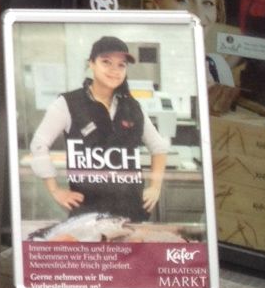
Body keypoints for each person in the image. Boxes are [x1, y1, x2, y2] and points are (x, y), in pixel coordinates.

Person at [28, 35, 169, 221]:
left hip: (130, 213)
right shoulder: (68, 103)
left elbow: (159, 147)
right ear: (91, 64)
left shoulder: (132, 106)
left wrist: (155, 187)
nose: (114, 70)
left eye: (121, 65)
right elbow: (39, 144)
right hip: (88, 215)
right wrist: (55, 190)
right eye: (106, 62)